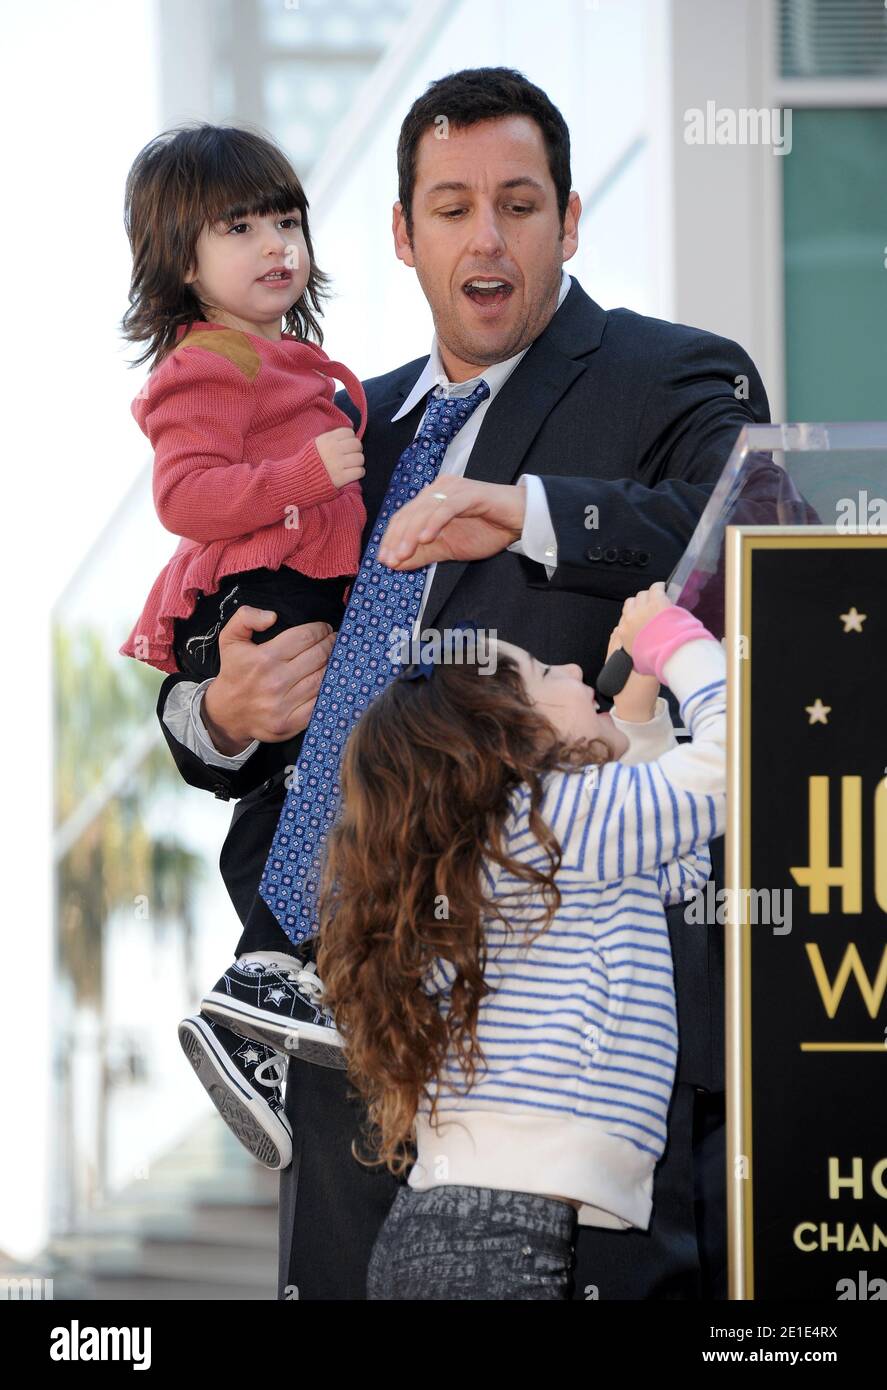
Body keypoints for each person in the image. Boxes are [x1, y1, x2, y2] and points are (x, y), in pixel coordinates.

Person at [151, 67, 770, 1299]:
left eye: (518, 203)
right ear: (401, 234)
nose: (485, 236)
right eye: (450, 207)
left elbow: (741, 521)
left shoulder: (673, 375)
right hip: (333, 1020)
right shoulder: (332, 426)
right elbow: (193, 645)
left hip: (555, 1058)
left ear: (569, 220)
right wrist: (216, 714)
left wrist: (526, 513)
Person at [314, 587, 726, 1300]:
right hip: (492, 1242)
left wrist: (636, 706)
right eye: (543, 672)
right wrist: (677, 640)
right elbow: (732, 768)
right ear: (503, 735)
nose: (573, 666)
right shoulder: (555, 819)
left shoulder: (534, 839)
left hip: (462, 1227)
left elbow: (671, 862)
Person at [118, 122, 368, 1171]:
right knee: (308, 786)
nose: (276, 243)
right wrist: (303, 478)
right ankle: (258, 982)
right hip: (267, 594)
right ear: (183, 258)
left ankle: (263, 1019)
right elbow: (185, 494)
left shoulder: (298, 361)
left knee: (312, 789)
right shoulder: (209, 357)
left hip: (309, 587)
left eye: (286, 220)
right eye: (240, 227)